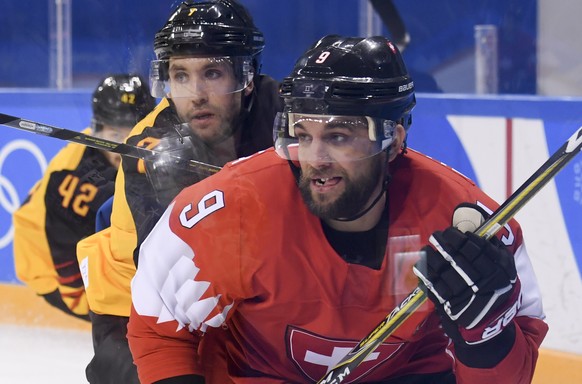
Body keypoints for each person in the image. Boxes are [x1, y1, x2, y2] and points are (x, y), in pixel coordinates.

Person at [127, 35, 548, 383]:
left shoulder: (460, 220)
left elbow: (514, 362)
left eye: (340, 136)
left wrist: (486, 341)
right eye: (303, 134)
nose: (316, 157)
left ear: (395, 138)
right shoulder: (231, 209)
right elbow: (158, 326)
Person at [75, 1, 282, 383]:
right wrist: (179, 192)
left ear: (247, 76)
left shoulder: (284, 118)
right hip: (136, 308)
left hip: (232, 296)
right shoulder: (148, 145)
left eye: (213, 73)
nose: (195, 93)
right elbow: (170, 279)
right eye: (180, 76)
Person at [12, 73, 155, 321]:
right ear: (98, 128)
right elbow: (64, 247)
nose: (122, 146)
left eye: (132, 132)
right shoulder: (72, 177)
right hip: (45, 265)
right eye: (113, 135)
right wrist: (97, 311)